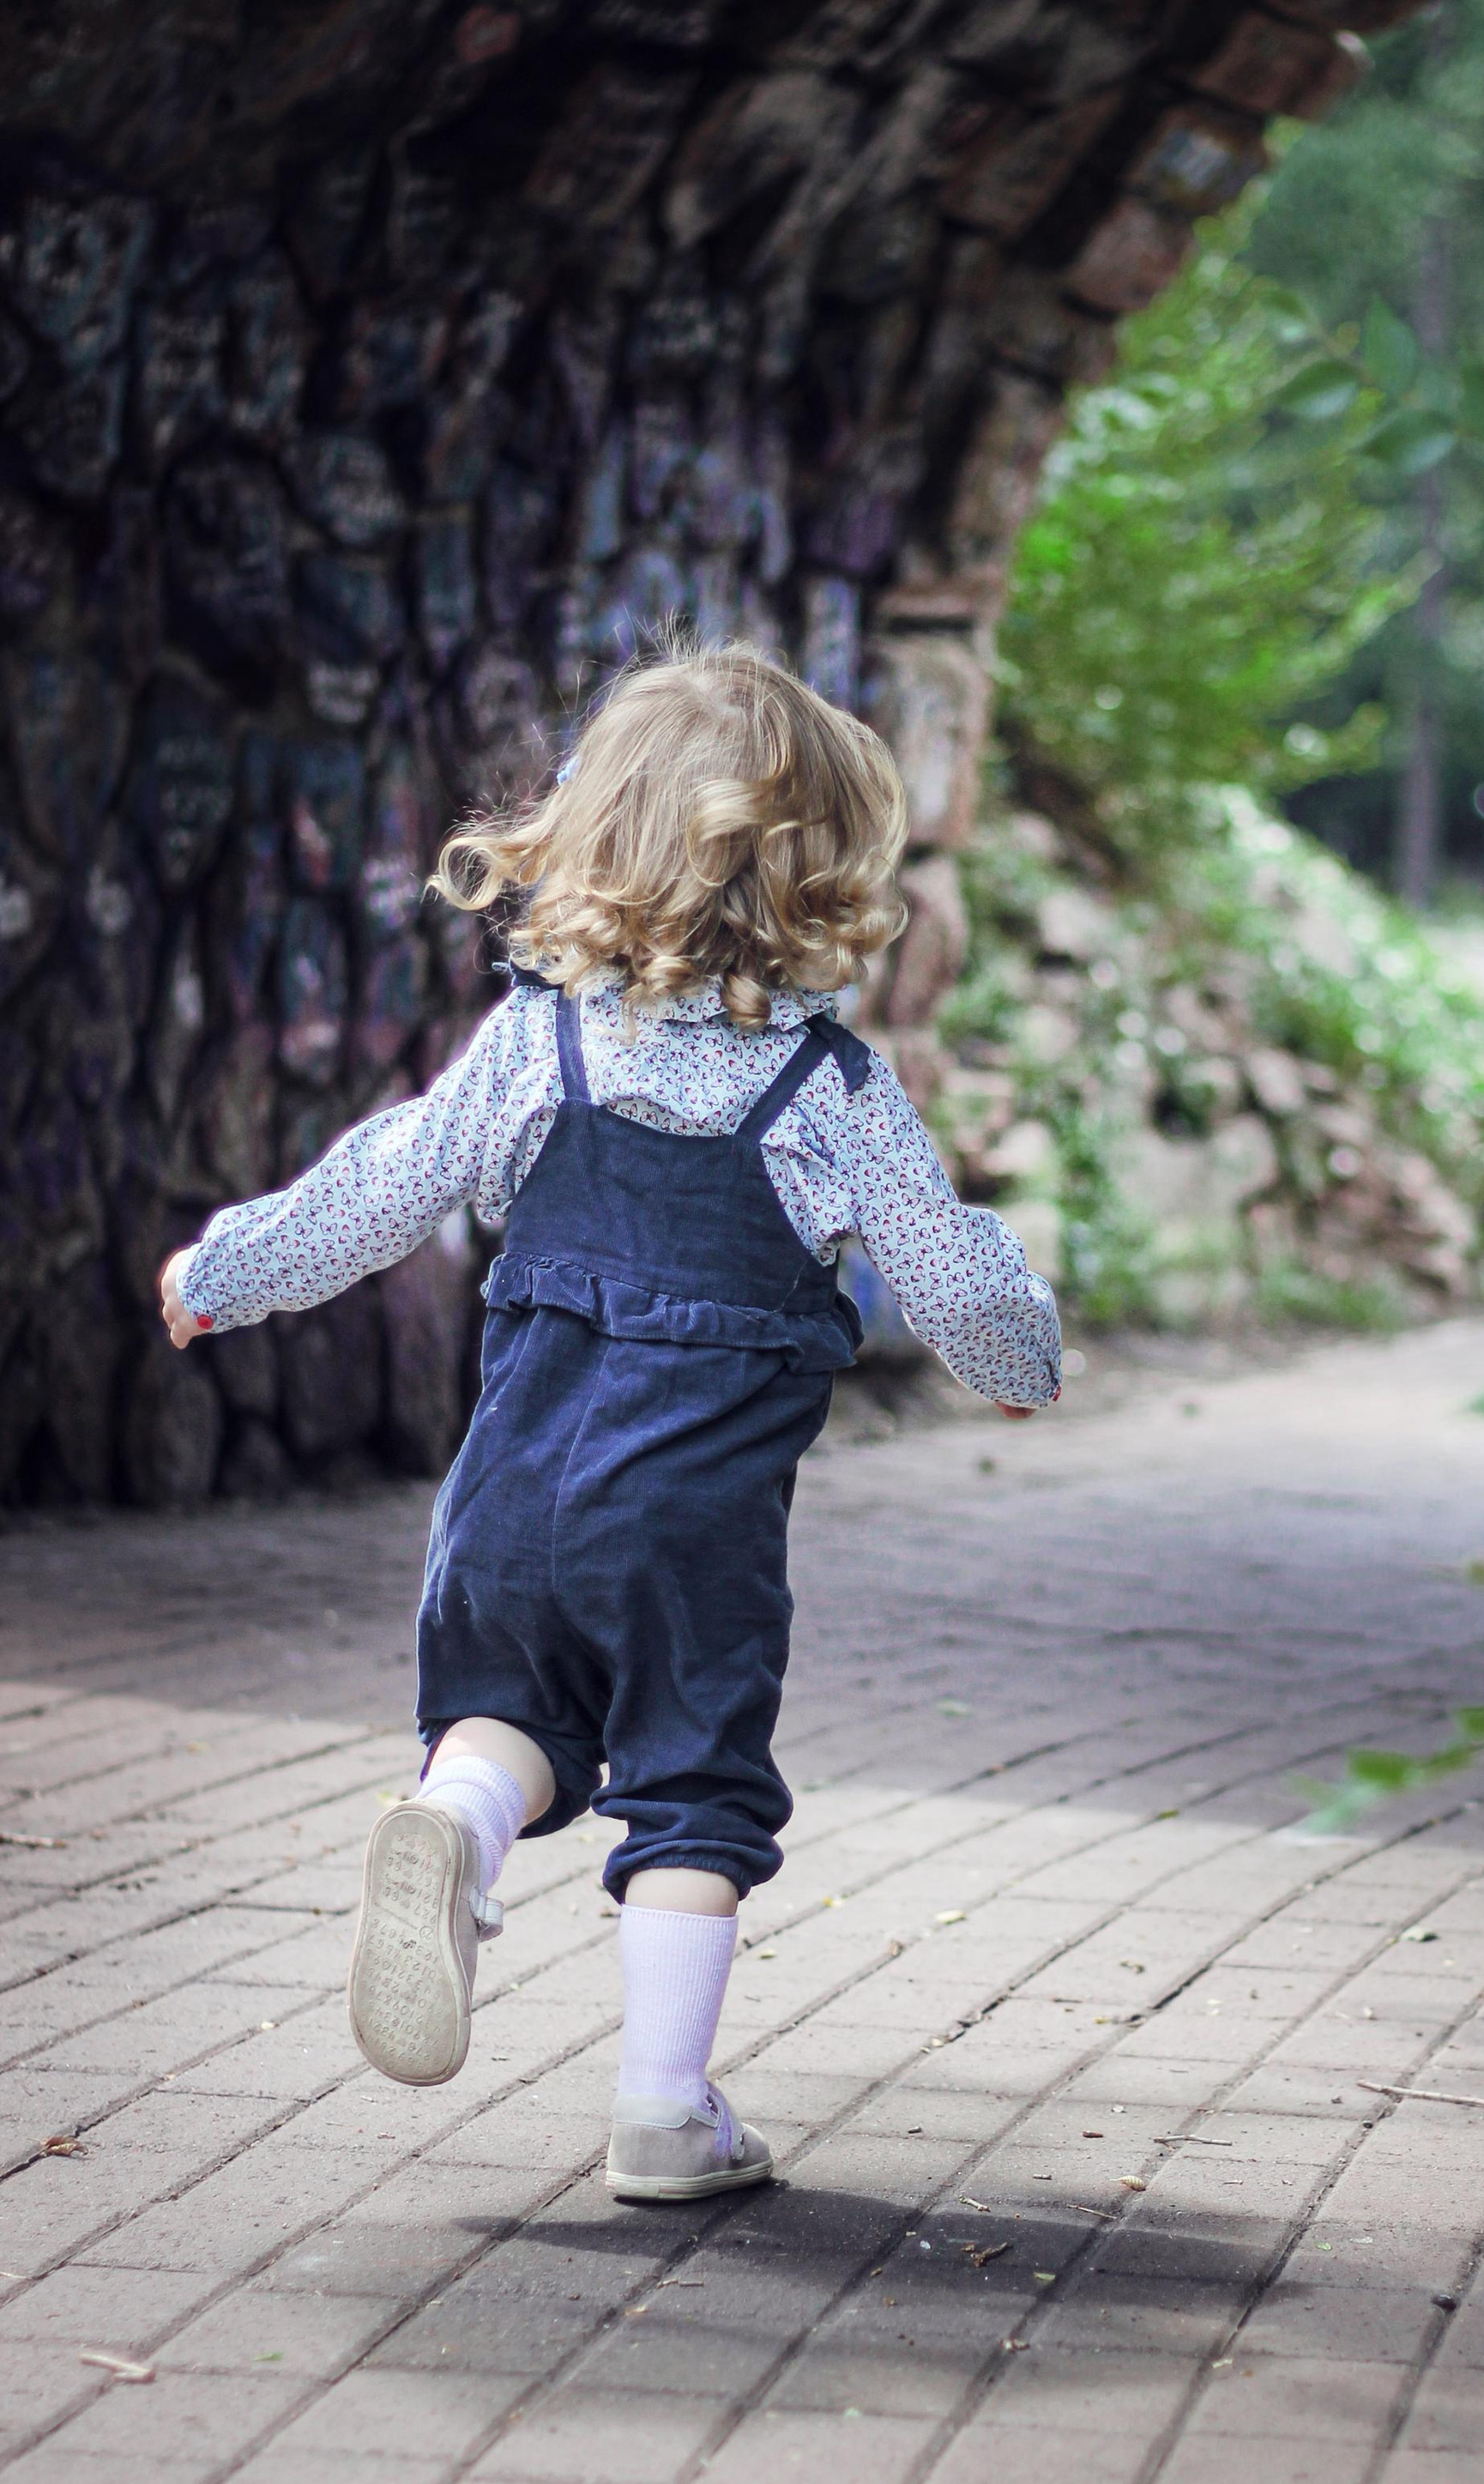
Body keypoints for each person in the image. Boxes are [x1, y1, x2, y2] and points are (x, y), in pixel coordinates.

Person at [158, 640, 1060, 2203]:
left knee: (506, 1713)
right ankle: (660, 2112)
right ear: (820, 878)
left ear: (595, 839)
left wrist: (221, 1270)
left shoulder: (534, 1045)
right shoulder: (828, 1095)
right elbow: (951, 1269)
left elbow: (379, 1186)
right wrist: (1024, 1352)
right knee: (692, 1788)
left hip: (511, 1495)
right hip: (692, 1531)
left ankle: (457, 1821)